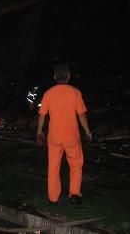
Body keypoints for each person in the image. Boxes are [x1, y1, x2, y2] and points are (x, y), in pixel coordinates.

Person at [36, 64, 92, 205]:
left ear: (54, 76)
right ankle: (74, 194)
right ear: (68, 76)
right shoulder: (75, 92)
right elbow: (82, 115)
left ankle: (53, 198)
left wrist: (39, 131)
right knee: (76, 165)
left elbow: (42, 115)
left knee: (53, 166)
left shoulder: (49, 93)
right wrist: (87, 131)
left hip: (54, 137)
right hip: (72, 137)